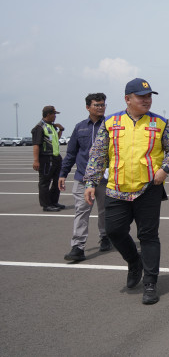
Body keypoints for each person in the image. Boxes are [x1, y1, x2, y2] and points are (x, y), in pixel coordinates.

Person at [84, 78, 169, 305]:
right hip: (117, 189)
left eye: (149, 96)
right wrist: (90, 182)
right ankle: (133, 261)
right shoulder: (110, 123)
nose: (146, 100)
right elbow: (98, 155)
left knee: (148, 236)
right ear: (128, 99)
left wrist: (165, 170)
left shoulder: (160, 123)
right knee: (114, 230)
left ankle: (150, 282)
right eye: (141, 96)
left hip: (148, 189)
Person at [59, 93, 110, 261]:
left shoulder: (111, 126)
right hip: (83, 178)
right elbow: (71, 153)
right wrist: (63, 174)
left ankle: (105, 237)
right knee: (81, 211)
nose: (101, 107)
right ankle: (78, 246)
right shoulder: (80, 127)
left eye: (103, 105)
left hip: (105, 178)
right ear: (88, 107)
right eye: (97, 105)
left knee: (105, 211)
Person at [32, 105, 66, 212]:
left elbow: (56, 139)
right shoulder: (39, 127)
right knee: (45, 182)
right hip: (46, 159)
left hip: (56, 157)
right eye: (54, 114)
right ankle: (46, 205)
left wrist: (61, 129)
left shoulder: (51, 126)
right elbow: (36, 145)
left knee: (57, 181)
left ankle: (53, 202)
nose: (55, 116)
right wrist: (36, 160)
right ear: (48, 114)